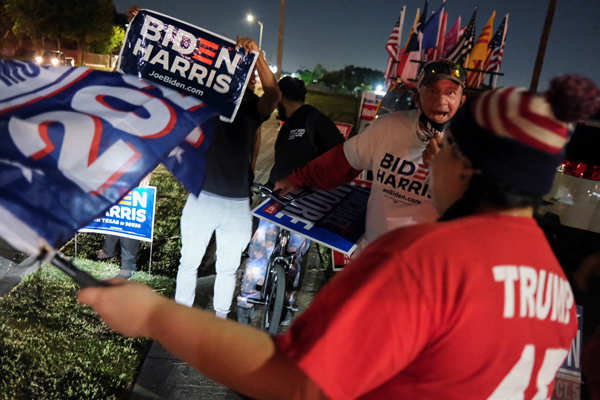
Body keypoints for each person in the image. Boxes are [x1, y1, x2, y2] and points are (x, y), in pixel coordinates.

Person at [78, 75, 598, 399]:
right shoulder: (556, 290)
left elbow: (295, 380)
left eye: (445, 149)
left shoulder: (425, 260)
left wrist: (154, 315)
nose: (432, 156)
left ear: (467, 164)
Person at [274, 59, 466, 249]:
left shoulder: (473, 149)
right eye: (432, 91)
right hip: (373, 253)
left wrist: (444, 171)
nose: (441, 100)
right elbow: (340, 163)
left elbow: (473, 221)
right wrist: (295, 180)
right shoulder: (388, 126)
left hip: (422, 266)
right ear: (417, 97)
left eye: (450, 92)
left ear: (462, 100)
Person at [173, 36, 280, 319]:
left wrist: (257, 57)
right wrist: (142, 27)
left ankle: (219, 320)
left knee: (228, 268)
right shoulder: (207, 100)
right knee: (189, 262)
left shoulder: (251, 107)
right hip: (203, 196)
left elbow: (273, 95)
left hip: (236, 202)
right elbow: (171, 72)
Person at [237, 76, 344, 324]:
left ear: (281, 97)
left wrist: (317, 184)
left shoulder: (314, 119)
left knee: (291, 254)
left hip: (306, 202)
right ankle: (248, 301)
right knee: (262, 249)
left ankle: (283, 306)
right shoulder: (286, 126)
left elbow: (339, 154)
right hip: (276, 196)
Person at [96, 173, 152, 279]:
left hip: (134, 171)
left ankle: (128, 267)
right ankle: (109, 249)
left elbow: (152, 155)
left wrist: (147, 172)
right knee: (112, 214)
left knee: (130, 218)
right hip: (113, 169)